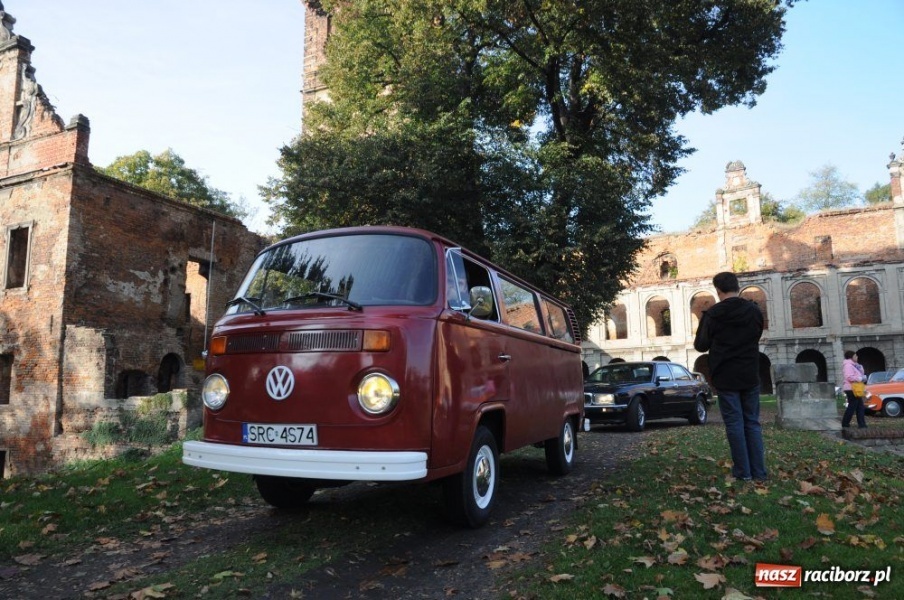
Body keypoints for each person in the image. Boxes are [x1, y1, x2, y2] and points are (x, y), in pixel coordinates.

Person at [693, 271, 767, 482]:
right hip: (750, 372)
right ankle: (759, 472)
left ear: (718, 290)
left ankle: (743, 472)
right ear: (737, 286)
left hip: (725, 374)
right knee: (752, 422)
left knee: (734, 423)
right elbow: (757, 334)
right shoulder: (753, 311)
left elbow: (700, 345)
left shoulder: (713, 314)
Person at [840, 350, 867, 428]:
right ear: (851, 357)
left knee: (860, 407)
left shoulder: (855, 365)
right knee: (853, 406)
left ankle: (862, 425)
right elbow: (848, 377)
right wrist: (859, 378)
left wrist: (860, 369)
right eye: (855, 356)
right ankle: (845, 423)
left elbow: (860, 373)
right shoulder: (848, 365)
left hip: (856, 388)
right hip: (851, 388)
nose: (857, 357)